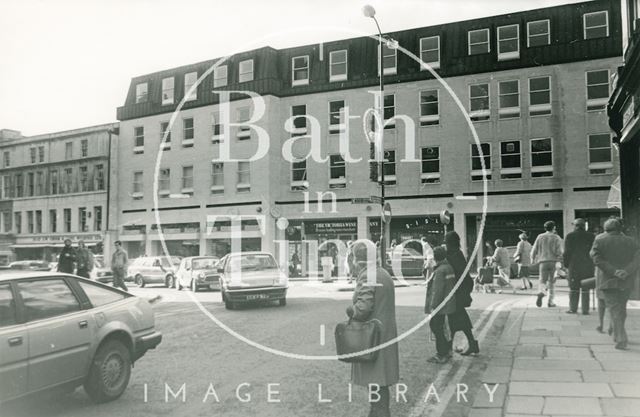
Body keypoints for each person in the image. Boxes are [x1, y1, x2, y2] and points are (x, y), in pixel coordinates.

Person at [346, 241, 399, 417]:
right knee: (380, 387)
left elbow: (363, 309)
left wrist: (350, 310)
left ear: (357, 258)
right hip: (385, 336)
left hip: (372, 340)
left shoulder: (366, 276)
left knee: (376, 387)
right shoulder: (383, 273)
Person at [589, 218, 640, 350]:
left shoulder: (600, 240)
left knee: (614, 309)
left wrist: (613, 271)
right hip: (626, 280)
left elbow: (596, 258)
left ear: (606, 229)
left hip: (608, 280)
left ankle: (621, 338)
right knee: (621, 309)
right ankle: (618, 335)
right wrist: (626, 271)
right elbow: (637, 258)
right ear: (619, 229)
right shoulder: (631, 241)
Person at [444, 231, 479, 356]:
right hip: (458, 292)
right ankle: (471, 344)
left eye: (446, 241)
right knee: (455, 320)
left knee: (456, 319)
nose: (445, 244)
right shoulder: (456, 253)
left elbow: (457, 273)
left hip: (456, 293)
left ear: (450, 242)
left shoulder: (454, 255)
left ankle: (450, 348)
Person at [425, 246, 456, 364]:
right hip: (449, 303)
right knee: (445, 329)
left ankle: (441, 354)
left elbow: (437, 291)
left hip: (441, 306)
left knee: (436, 327)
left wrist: (433, 305)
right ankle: (448, 351)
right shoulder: (449, 267)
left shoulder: (439, 271)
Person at [563, 218, 595, 315]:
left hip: (574, 265)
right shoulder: (591, 236)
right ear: (584, 225)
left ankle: (573, 308)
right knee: (585, 288)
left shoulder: (570, 236)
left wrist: (566, 265)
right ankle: (585, 310)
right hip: (588, 265)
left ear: (575, 226)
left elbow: (567, 252)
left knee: (574, 288)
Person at [531, 221, 564, 308]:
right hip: (553, 261)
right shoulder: (556, 237)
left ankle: (541, 292)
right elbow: (559, 252)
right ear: (554, 228)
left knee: (542, 280)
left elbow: (534, 249)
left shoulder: (540, 237)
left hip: (543, 262)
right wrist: (560, 261)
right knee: (552, 282)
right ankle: (550, 302)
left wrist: (532, 259)